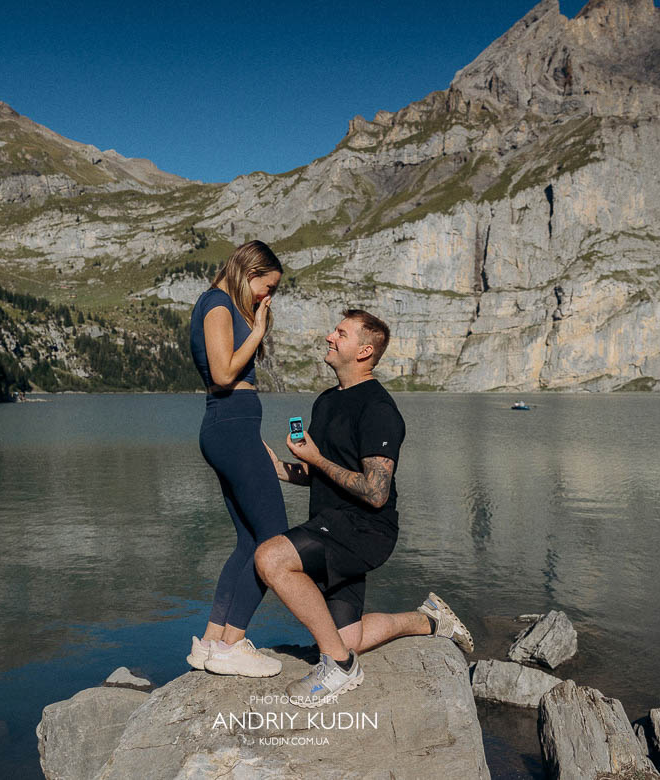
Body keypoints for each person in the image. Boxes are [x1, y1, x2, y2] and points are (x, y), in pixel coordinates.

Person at [255, 309, 474, 707]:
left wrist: (317, 460)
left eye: (340, 333)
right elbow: (317, 472)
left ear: (364, 350)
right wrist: (278, 469)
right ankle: (429, 619)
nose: (329, 337)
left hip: (363, 530)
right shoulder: (326, 402)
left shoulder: (378, 409)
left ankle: (339, 668)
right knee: (347, 638)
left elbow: (375, 492)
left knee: (270, 559)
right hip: (329, 523)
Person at [186, 240, 287, 678]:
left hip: (234, 428)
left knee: (249, 541)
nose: (268, 297)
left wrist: (253, 437)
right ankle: (233, 644)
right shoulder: (218, 303)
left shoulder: (223, 304)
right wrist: (260, 331)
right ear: (249, 271)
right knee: (275, 540)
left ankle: (211, 643)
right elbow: (225, 373)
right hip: (229, 425)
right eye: (267, 287)